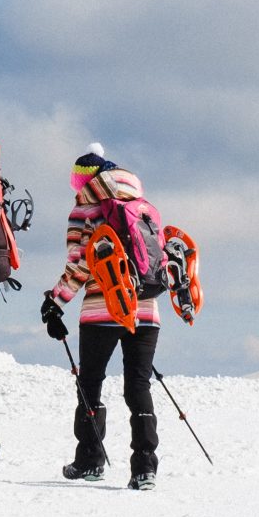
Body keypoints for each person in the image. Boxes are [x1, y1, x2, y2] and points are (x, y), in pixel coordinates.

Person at [42, 147, 159, 489]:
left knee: (91, 382)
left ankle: (90, 460)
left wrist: (55, 301)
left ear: (85, 179)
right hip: (147, 308)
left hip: (102, 307)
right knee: (138, 385)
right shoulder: (142, 205)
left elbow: (79, 262)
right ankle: (144, 468)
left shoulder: (85, 208)